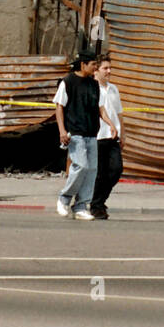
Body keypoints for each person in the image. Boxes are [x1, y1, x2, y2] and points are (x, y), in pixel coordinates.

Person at [54, 50, 102, 220]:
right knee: (80, 165)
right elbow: (59, 107)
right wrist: (62, 131)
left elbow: (99, 108)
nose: (95, 68)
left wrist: (109, 124)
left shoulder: (94, 84)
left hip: (91, 133)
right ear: (83, 64)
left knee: (91, 170)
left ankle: (81, 206)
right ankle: (64, 198)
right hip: (75, 133)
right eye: (93, 64)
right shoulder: (68, 82)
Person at [90, 55, 124, 220]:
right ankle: (96, 205)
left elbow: (119, 113)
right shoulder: (91, 88)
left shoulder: (113, 89)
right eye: (105, 68)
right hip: (97, 136)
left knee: (116, 170)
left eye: (110, 68)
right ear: (96, 70)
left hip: (112, 136)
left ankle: (99, 200)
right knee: (100, 173)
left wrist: (123, 132)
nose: (109, 71)